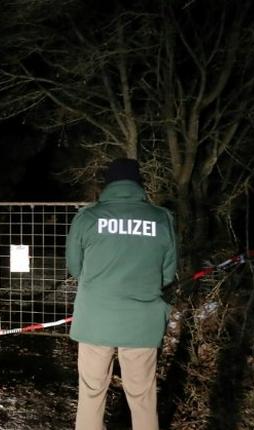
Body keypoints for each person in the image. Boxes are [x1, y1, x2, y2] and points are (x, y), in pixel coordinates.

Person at [66, 158, 177, 430]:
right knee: (142, 398)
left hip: (95, 319)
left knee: (91, 394)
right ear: (138, 184)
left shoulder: (88, 217)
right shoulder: (161, 218)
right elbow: (167, 274)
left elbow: (74, 266)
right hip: (141, 321)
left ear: (108, 185)